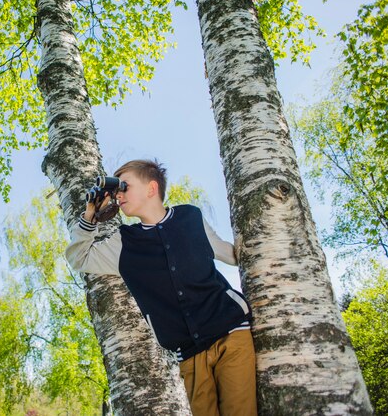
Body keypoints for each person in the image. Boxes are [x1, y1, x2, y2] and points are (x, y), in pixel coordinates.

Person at [65, 159, 257, 416]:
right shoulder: (124, 243)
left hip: (231, 334)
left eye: (125, 187)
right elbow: (80, 258)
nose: (118, 195)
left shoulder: (191, 216)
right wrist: (90, 214)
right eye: (116, 190)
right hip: (188, 354)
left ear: (151, 189)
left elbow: (232, 255)